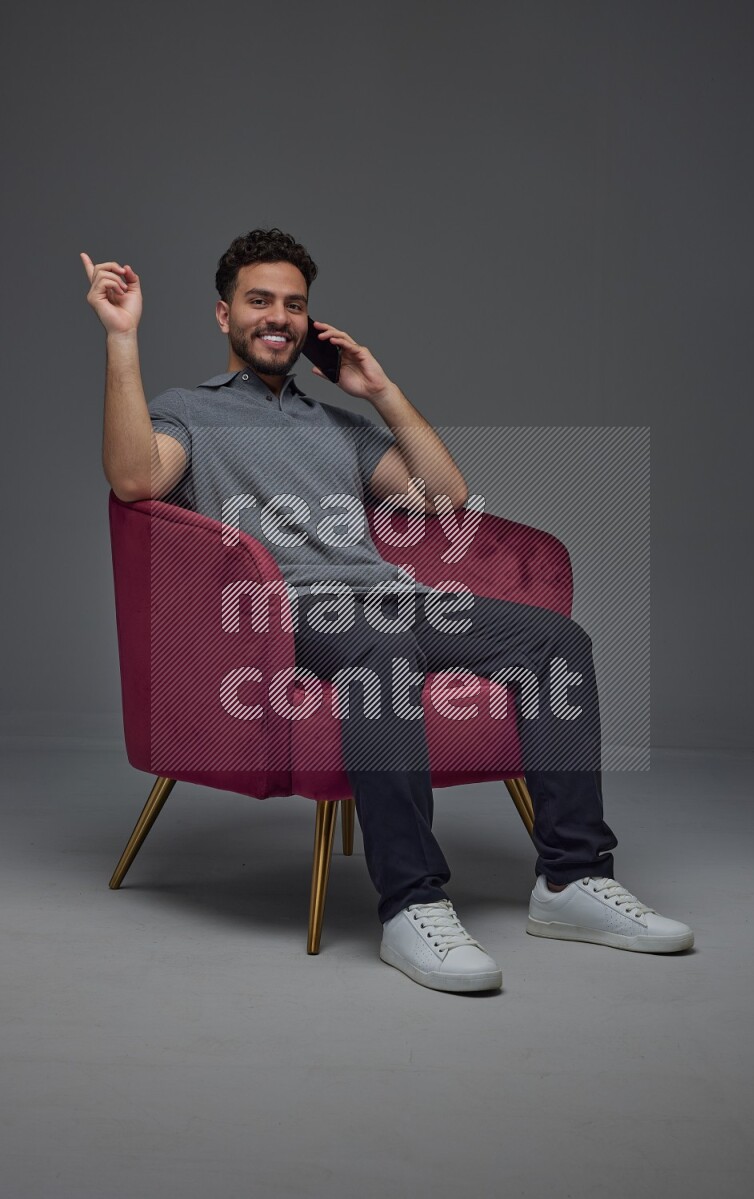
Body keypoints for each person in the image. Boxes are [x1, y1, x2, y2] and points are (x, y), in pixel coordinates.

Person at [81, 228, 694, 995]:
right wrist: (122, 339)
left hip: (393, 601)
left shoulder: (336, 425)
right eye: (260, 300)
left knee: (557, 643)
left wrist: (379, 388)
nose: (278, 316)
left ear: (310, 322)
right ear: (224, 315)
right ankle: (412, 903)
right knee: (379, 649)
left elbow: (446, 498)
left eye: (294, 304)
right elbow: (137, 480)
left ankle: (571, 881)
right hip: (284, 614)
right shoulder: (187, 414)